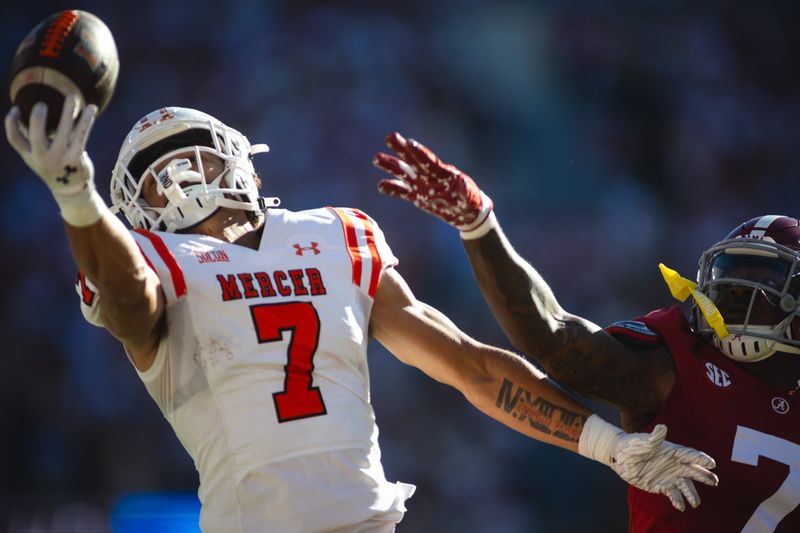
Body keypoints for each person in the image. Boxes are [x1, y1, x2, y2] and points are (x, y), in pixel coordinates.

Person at [6, 97, 718, 533]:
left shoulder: (335, 233)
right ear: (132, 209)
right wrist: (78, 199)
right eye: (160, 169)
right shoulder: (148, 260)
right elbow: (128, 301)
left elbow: (464, 362)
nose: (184, 174)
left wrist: (609, 445)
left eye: (187, 153)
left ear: (244, 161)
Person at [373, 131, 800, 532]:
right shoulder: (676, 360)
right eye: (730, 279)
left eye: (759, 283)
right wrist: (479, 226)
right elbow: (553, 336)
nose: (732, 298)